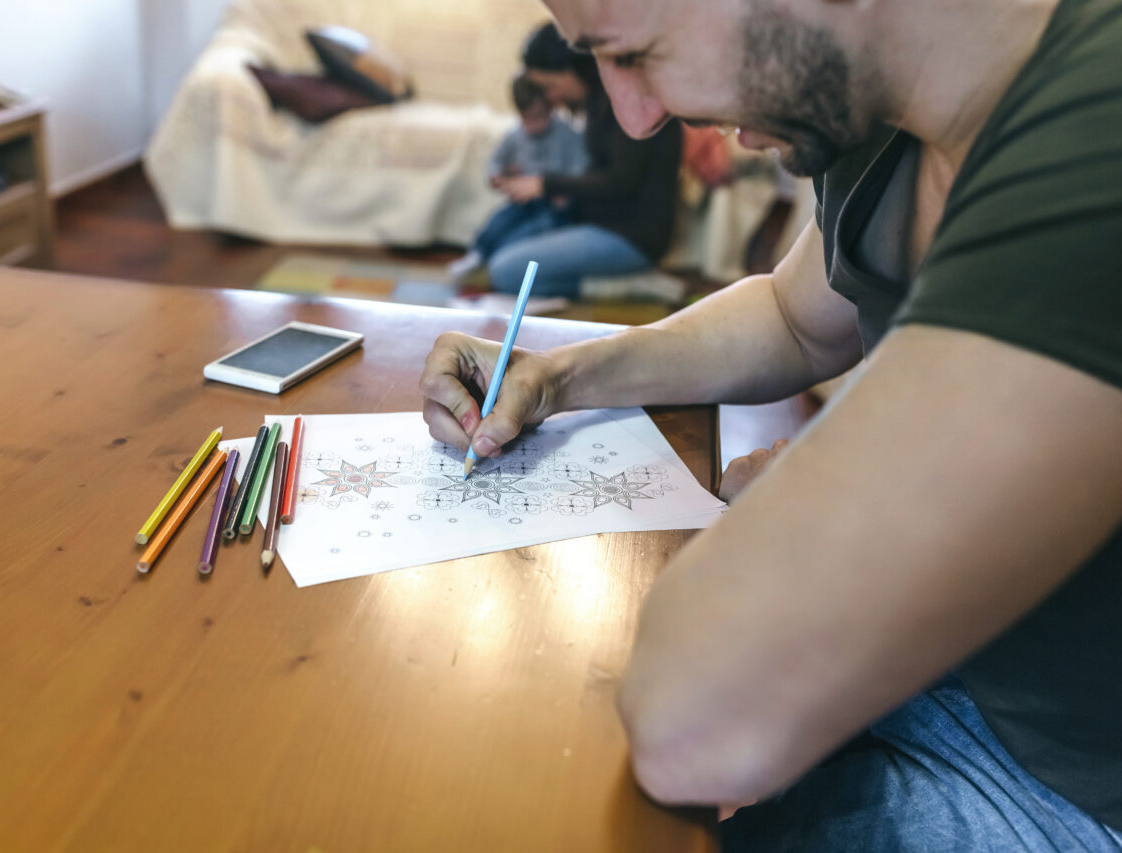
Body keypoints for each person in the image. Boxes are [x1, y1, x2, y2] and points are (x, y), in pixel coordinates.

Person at [420, 0, 1122, 848]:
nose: (637, 120)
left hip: (1065, 786)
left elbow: (696, 721)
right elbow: (794, 316)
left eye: (635, 52)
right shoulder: (874, 113)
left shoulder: (1096, 134)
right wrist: (557, 375)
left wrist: (829, 514)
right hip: (953, 667)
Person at [483, 23, 682, 298]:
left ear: (571, 69)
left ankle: (627, 286)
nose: (551, 98)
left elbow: (621, 181)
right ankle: (615, 280)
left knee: (505, 271)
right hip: (596, 222)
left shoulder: (628, 98)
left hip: (629, 236)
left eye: (550, 86)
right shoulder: (597, 99)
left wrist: (546, 184)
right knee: (500, 245)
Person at [448, 74, 589, 281]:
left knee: (537, 229)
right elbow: (495, 162)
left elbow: (580, 169)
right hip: (522, 201)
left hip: (554, 205)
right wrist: (497, 175)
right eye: (526, 118)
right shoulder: (515, 135)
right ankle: (478, 254)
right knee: (499, 220)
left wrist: (564, 192)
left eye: (539, 116)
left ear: (552, 107)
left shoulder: (568, 134)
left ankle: (504, 260)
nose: (533, 125)